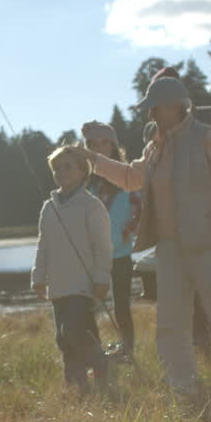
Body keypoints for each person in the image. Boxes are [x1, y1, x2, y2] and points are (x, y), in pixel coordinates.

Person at [85, 68, 211, 395]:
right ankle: (184, 388)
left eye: (156, 106)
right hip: (170, 248)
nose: (150, 112)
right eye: (149, 107)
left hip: (209, 243)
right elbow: (130, 178)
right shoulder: (155, 147)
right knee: (170, 324)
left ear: (177, 105)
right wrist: (93, 161)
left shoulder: (207, 137)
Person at [31, 145, 113, 395]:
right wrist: (38, 277)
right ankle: (79, 387)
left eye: (67, 166)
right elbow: (43, 245)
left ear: (82, 169)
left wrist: (101, 279)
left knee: (73, 331)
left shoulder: (92, 205)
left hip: (83, 284)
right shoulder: (49, 207)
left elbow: (103, 247)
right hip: (58, 285)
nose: (60, 172)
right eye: (56, 168)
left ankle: (101, 363)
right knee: (64, 339)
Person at [80, 121, 141, 363]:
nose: (99, 148)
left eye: (104, 143)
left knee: (121, 305)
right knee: (88, 305)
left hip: (121, 253)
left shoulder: (126, 176)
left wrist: (130, 229)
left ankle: (127, 349)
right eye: (93, 145)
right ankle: (94, 353)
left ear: (114, 146)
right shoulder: (86, 182)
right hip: (93, 256)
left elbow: (141, 209)